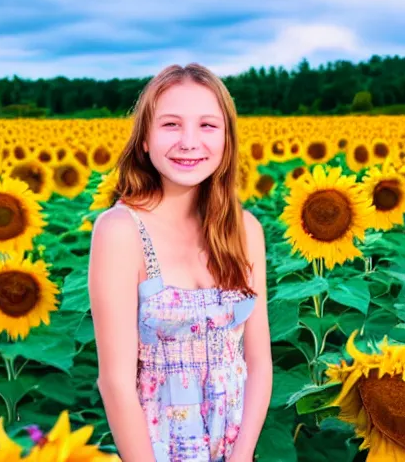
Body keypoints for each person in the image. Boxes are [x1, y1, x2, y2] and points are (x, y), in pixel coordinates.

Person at [88, 63, 272, 462]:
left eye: (207, 125)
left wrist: (242, 456)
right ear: (144, 141)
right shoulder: (121, 231)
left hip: (236, 449)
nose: (189, 142)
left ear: (227, 140)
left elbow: (258, 360)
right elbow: (115, 381)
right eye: (171, 125)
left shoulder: (244, 230)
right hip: (157, 450)